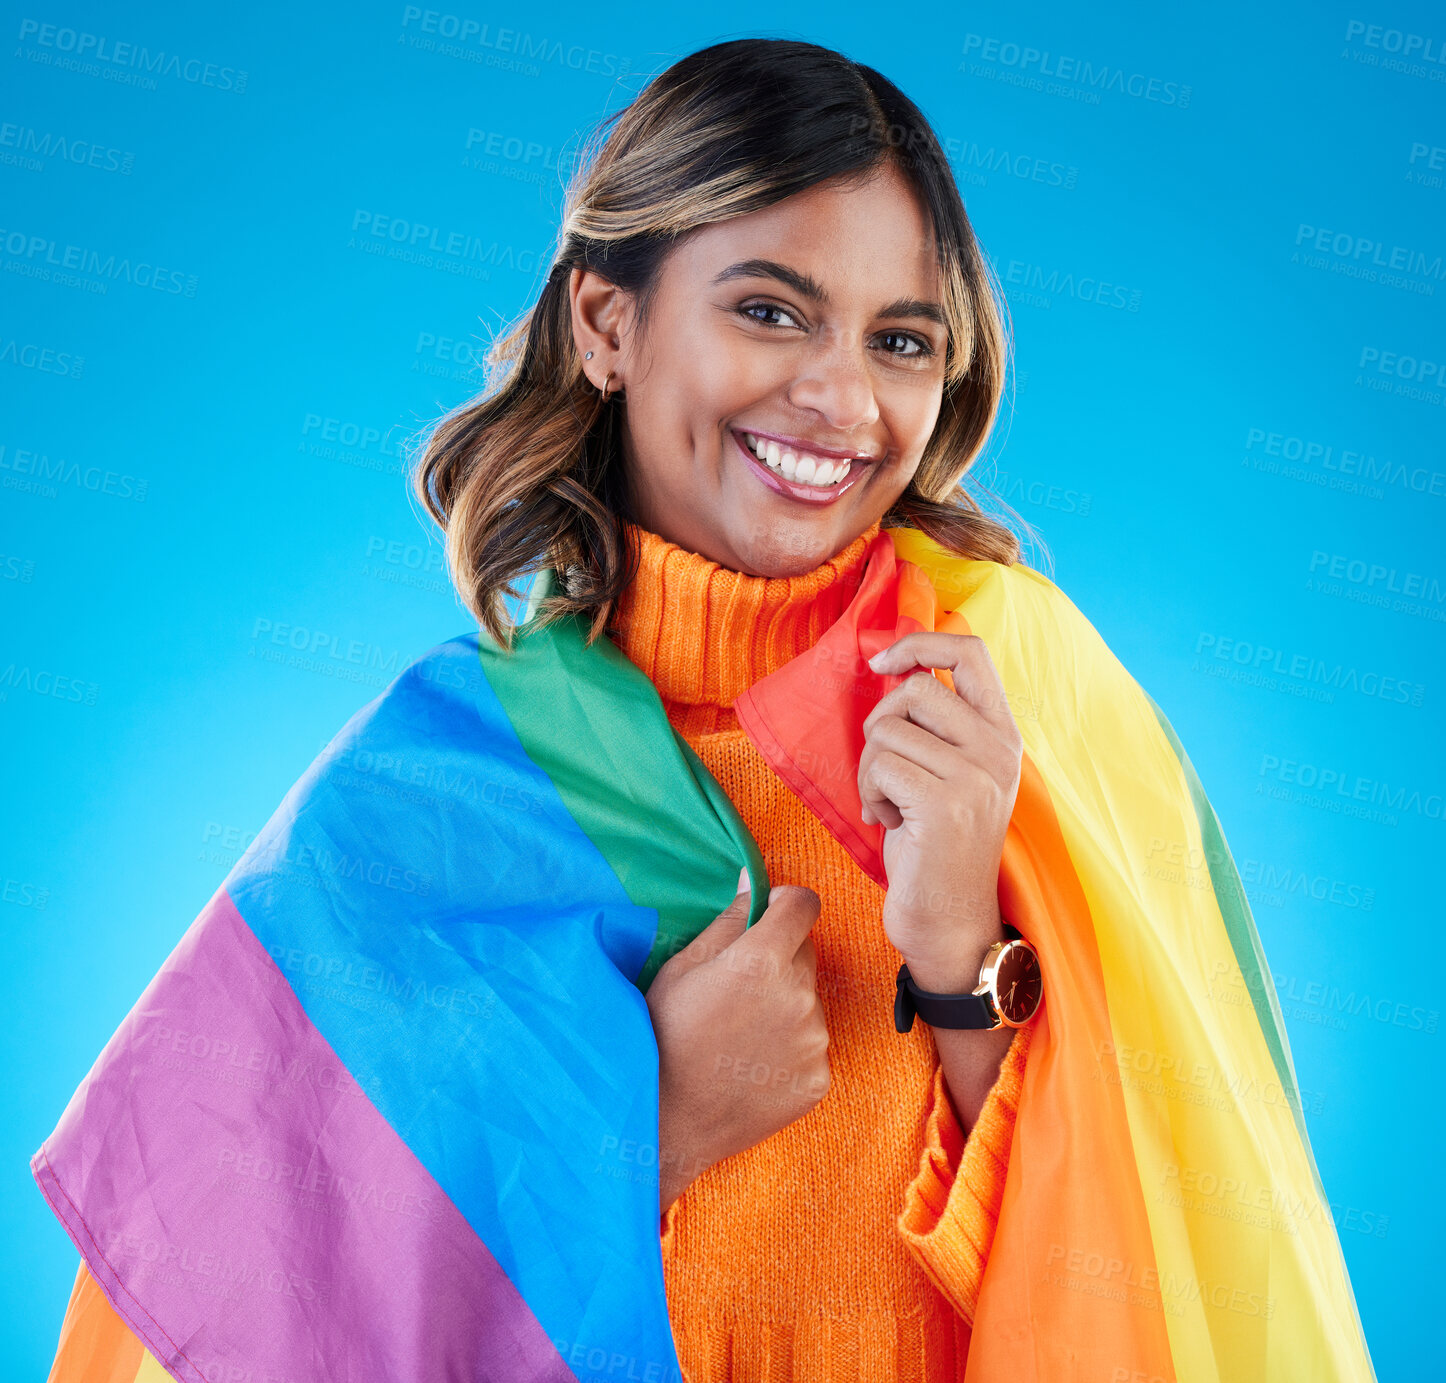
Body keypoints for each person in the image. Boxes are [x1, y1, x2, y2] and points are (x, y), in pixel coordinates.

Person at [36, 37, 1376, 1383]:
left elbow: (1151, 1285)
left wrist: (957, 950)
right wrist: (649, 1125)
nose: (842, 401)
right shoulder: (440, 786)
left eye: (899, 341)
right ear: (607, 326)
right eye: (769, 311)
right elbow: (272, 1313)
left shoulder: (1011, 708)